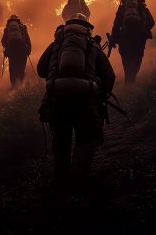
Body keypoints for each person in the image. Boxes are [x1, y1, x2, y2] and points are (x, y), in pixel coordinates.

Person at [37, 13, 115, 189]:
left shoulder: (56, 44)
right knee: (86, 140)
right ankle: (79, 181)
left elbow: (41, 70)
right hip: (86, 100)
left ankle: (60, 184)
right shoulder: (92, 45)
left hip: (57, 99)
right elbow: (109, 75)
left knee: (61, 141)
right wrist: (101, 94)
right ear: (86, 29)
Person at [110, 0, 155, 84]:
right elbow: (152, 22)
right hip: (139, 37)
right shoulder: (142, 6)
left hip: (124, 37)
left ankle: (128, 81)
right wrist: (144, 30)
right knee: (137, 58)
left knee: (126, 59)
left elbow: (116, 24)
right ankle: (132, 79)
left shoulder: (122, 8)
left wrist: (113, 38)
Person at [1, 14, 33, 88]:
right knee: (21, 69)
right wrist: (28, 50)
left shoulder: (7, 29)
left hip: (12, 52)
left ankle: (14, 87)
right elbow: (28, 40)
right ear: (18, 20)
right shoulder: (23, 28)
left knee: (12, 70)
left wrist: (7, 48)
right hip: (22, 51)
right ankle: (20, 86)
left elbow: (3, 42)